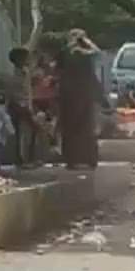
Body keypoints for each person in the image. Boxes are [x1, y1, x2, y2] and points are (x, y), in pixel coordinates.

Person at [57, 30, 103, 170]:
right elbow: (97, 52)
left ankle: (72, 160)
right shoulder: (77, 52)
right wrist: (86, 42)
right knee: (84, 128)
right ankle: (87, 159)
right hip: (79, 95)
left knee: (72, 128)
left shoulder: (65, 52)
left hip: (71, 95)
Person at [6, 48, 36, 167]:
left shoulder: (25, 72)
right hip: (17, 105)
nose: (27, 59)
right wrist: (21, 105)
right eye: (25, 57)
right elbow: (12, 91)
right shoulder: (13, 73)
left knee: (27, 132)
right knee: (23, 132)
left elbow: (27, 90)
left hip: (24, 104)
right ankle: (24, 159)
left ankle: (25, 158)